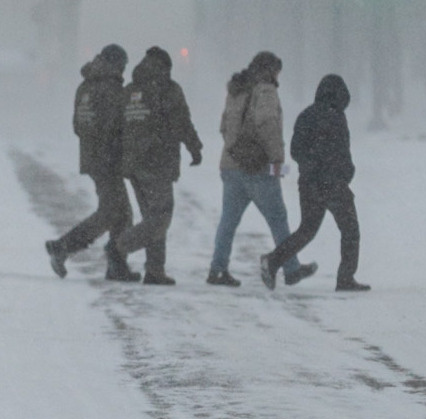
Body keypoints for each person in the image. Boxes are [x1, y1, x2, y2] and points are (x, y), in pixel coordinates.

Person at [107, 46, 202, 285]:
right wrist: (195, 147)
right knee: (160, 218)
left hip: (133, 164)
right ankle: (120, 246)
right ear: (164, 67)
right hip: (157, 161)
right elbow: (181, 121)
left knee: (151, 216)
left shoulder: (129, 91)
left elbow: (117, 127)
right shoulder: (168, 90)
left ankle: (155, 270)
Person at [262, 74, 363, 292]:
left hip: (309, 183)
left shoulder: (306, 115)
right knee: (350, 230)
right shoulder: (336, 117)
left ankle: (273, 260)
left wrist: (311, 167)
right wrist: (345, 174)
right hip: (333, 184)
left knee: (307, 230)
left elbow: (295, 150)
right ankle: (345, 278)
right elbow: (343, 153)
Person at [45, 45, 136, 280]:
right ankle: (63, 247)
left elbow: (78, 125)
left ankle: (117, 266)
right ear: (116, 64)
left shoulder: (85, 87)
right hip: (108, 159)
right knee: (111, 212)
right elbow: (116, 126)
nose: (124, 70)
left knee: (121, 213)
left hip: (92, 156)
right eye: (123, 65)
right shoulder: (111, 88)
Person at [207, 52, 294, 286]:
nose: (278, 76)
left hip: (231, 165)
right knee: (278, 218)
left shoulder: (236, 90)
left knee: (228, 221)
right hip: (259, 168)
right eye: (277, 71)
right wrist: (277, 159)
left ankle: (217, 269)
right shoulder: (265, 90)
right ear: (269, 70)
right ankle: (291, 266)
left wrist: (236, 151)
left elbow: (224, 126)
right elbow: (268, 123)